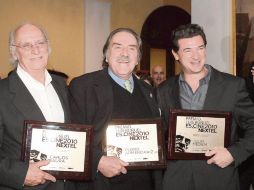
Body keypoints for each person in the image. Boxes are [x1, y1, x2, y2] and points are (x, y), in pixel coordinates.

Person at [157, 24, 254, 190]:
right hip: (177, 181)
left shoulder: (233, 86)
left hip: (220, 180)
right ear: (175, 54)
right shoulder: (164, 90)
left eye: (200, 48)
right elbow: (159, 134)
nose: (196, 56)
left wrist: (233, 153)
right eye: (188, 50)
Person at [69, 28, 162, 190]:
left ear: (138, 57)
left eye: (132, 48)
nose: (124, 53)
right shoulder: (83, 86)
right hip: (102, 184)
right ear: (106, 54)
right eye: (117, 47)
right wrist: (97, 161)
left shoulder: (148, 91)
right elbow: (72, 138)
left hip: (144, 183)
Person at [0, 23, 73, 190]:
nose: (36, 50)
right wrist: (19, 173)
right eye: (26, 45)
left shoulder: (61, 86)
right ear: (14, 51)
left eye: (40, 43)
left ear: (48, 46)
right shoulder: (2, 93)